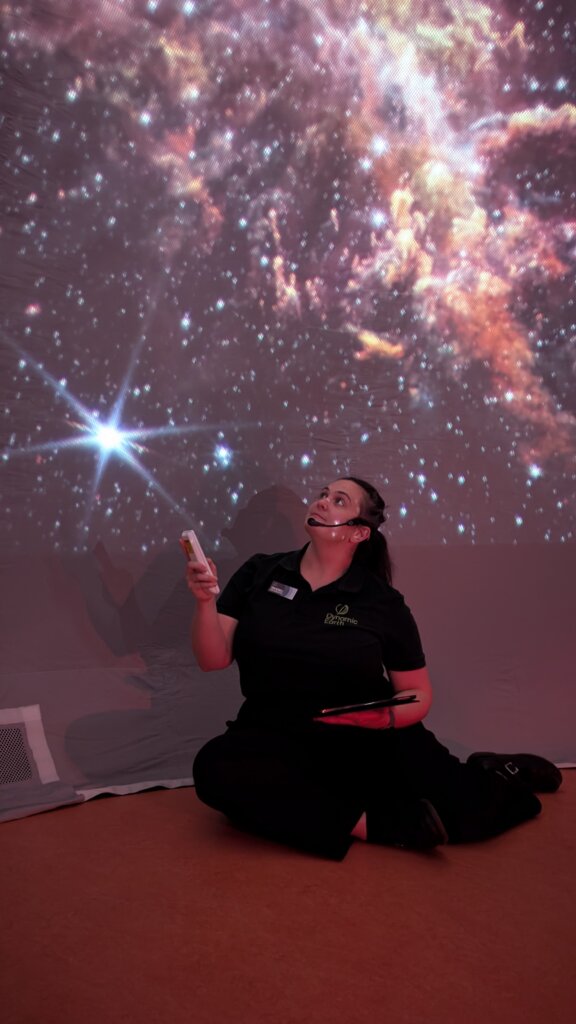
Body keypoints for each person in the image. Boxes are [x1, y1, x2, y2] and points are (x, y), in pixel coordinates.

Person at [184, 477, 562, 860]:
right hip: (274, 733)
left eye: (338, 500)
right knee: (216, 771)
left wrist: (386, 720)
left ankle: (500, 773)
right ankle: (381, 825)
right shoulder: (259, 573)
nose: (322, 502)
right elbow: (212, 659)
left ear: (359, 533)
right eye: (322, 495)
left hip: (366, 736)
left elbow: (417, 693)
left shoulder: (381, 602)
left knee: (465, 817)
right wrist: (204, 602)